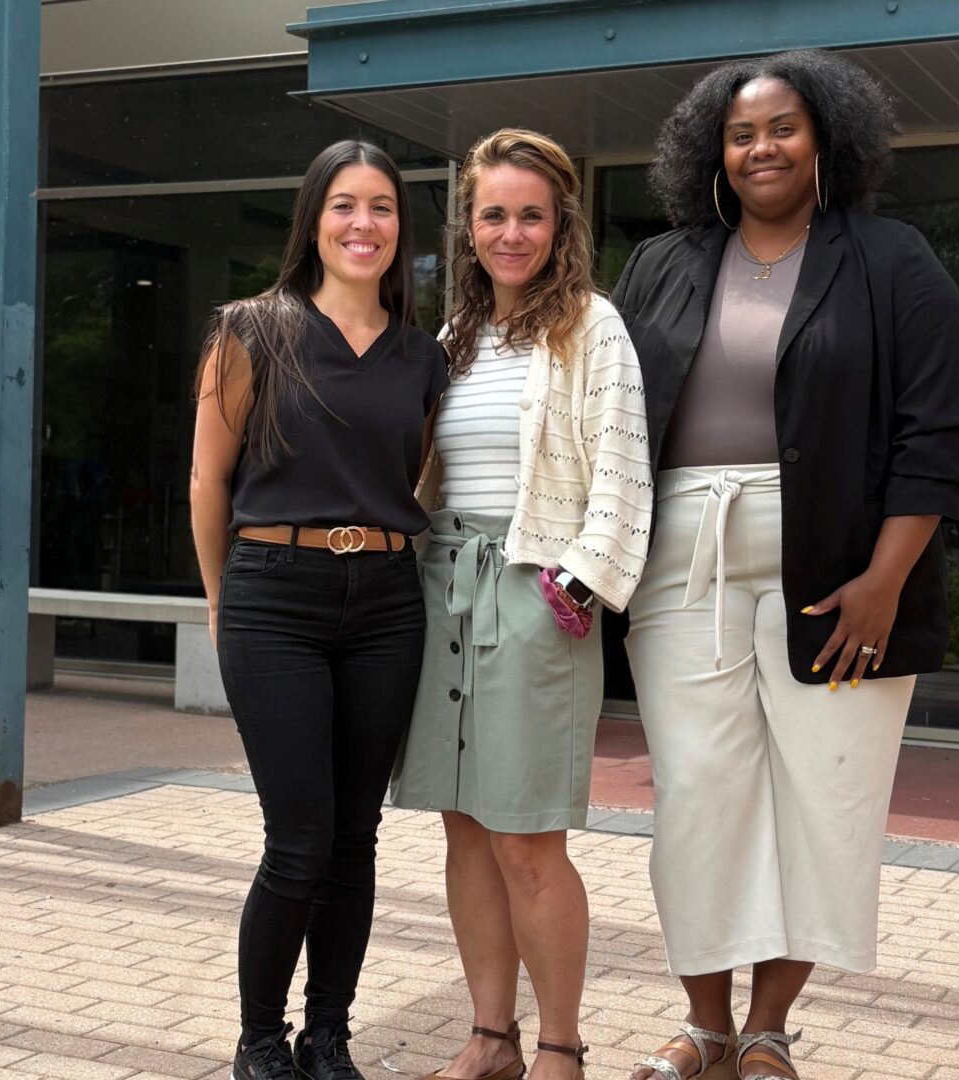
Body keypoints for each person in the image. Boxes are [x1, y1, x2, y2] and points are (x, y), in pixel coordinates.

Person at [611, 51, 959, 1080]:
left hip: (842, 573)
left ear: (827, 138)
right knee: (698, 795)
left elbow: (936, 434)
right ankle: (703, 1025)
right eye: (740, 133)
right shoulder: (664, 264)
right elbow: (613, 417)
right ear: (711, 154)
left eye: (782, 127)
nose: (761, 147)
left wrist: (886, 580)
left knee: (825, 796)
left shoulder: (893, 259)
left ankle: (768, 1029)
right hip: (683, 569)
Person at [391, 129, 651, 1080]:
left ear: (559, 224)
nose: (511, 232)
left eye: (530, 215)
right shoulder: (451, 339)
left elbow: (625, 475)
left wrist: (575, 583)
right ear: (469, 224)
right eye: (493, 214)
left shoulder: (591, 325)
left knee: (526, 836)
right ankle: (489, 1036)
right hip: (441, 585)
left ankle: (559, 1047)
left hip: (539, 591)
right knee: (463, 823)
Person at [189, 139, 451, 1080]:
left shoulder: (427, 355)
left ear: (400, 230)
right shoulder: (252, 330)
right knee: (297, 835)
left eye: (382, 207)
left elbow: (415, 471)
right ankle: (260, 1043)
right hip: (274, 597)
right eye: (345, 205)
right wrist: (224, 602)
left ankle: (327, 1035)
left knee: (355, 837)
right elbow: (207, 480)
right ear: (315, 219)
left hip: (385, 600)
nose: (363, 224)